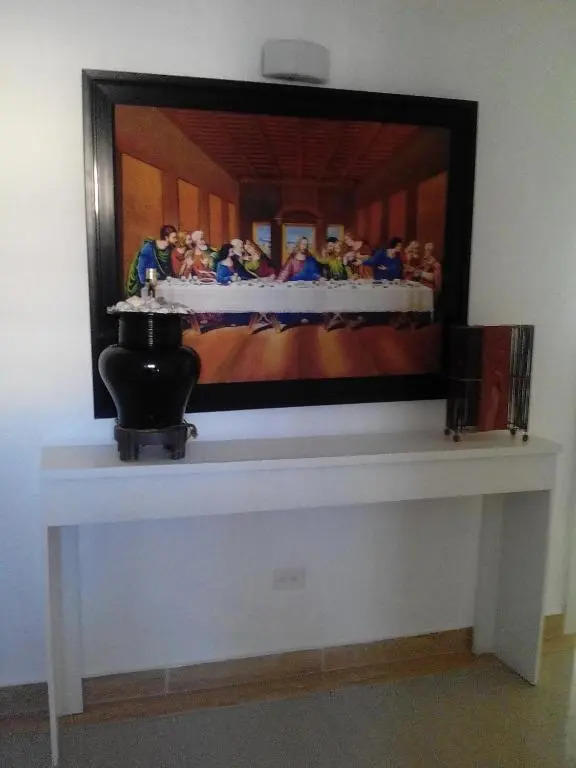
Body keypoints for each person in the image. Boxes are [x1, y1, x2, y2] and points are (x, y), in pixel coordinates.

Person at [125, 225, 177, 297]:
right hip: (149, 280)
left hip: (163, 281)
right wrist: (150, 282)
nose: (176, 240)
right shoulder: (150, 247)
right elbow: (143, 267)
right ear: (166, 238)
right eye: (174, 237)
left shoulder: (170, 249)